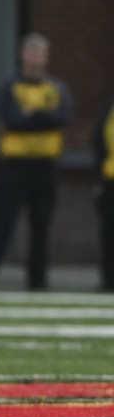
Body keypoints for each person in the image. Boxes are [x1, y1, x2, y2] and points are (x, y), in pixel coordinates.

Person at [0, 33, 73, 291]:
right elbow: (12, 119)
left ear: (46, 58)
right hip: (14, 165)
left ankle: (37, 280)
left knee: (41, 224)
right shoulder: (10, 86)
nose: (36, 58)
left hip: (45, 166)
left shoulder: (56, 88)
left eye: (41, 53)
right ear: (23, 55)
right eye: (32, 52)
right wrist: (40, 119)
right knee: (1, 221)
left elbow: (62, 117)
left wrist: (33, 116)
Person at [93, 95, 114, 291]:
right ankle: (109, 280)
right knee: (109, 232)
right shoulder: (110, 106)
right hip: (110, 177)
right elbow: (98, 140)